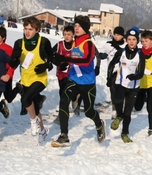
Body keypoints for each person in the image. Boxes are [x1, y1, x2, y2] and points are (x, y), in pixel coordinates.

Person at [51, 15, 105, 147]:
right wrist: (59, 61)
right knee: (63, 101)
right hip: (73, 80)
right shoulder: (74, 41)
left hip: (87, 83)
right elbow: (64, 54)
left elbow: (86, 61)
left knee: (88, 111)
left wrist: (69, 60)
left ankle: (99, 124)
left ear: (85, 29)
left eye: (79, 26)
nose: (76, 28)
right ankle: (64, 135)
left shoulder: (88, 44)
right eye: (75, 25)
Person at [9, 16, 52, 142]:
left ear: (37, 30)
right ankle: (43, 130)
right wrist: (14, 59)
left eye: (31, 29)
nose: (27, 32)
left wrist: (46, 65)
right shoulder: (19, 43)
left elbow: (51, 60)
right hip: (25, 79)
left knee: (25, 99)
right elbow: (12, 65)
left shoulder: (43, 42)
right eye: (25, 29)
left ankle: (33, 121)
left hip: (40, 79)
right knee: (35, 108)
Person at [108, 26, 145, 143]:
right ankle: (119, 115)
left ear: (137, 41)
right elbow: (111, 64)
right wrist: (109, 78)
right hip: (121, 83)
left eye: (134, 39)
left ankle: (125, 133)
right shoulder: (121, 52)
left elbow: (141, 72)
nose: (131, 42)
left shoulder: (140, 54)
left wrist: (135, 76)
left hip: (134, 87)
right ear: (126, 40)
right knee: (118, 102)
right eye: (129, 39)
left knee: (128, 112)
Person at [99, 26, 126, 119]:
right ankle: (114, 108)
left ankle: (120, 108)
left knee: (121, 91)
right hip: (111, 71)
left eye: (118, 34)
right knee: (113, 90)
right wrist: (101, 55)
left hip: (123, 71)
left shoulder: (126, 46)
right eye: (115, 34)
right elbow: (102, 54)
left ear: (122, 36)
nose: (116, 36)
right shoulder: (108, 44)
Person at [51, 25, 74, 124]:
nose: (67, 36)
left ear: (73, 35)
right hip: (61, 74)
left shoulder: (76, 45)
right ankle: (62, 114)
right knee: (62, 94)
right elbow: (50, 55)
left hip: (72, 74)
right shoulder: (59, 44)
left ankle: (62, 115)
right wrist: (58, 62)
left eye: (69, 34)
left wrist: (67, 61)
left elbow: (78, 60)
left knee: (67, 94)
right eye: (65, 34)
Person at [0, 27, 18, 119]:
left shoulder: (7, 49)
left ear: (3, 37)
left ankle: (18, 88)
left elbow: (13, 64)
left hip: (5, 76)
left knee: (9, 97)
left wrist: (8, 74)